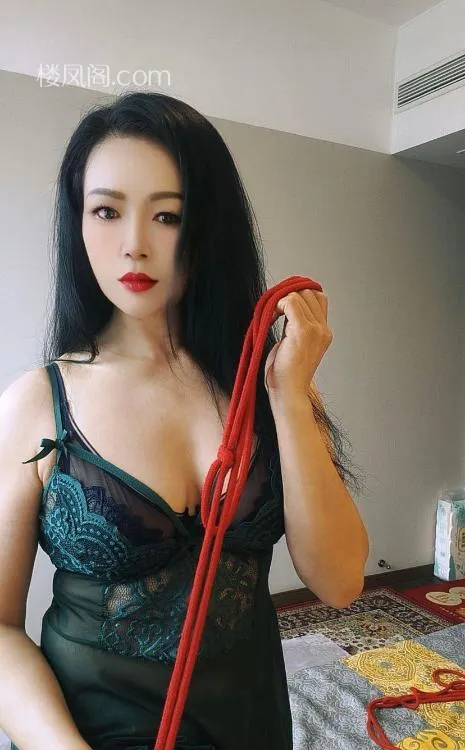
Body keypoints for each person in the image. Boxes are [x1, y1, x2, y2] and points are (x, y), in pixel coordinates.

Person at [0, 91, 366, 750]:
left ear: (207, 227)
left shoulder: (269, 381)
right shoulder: (36, 403)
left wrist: (287, 395)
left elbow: (339, 583)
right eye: (107, 211)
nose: (134, 245)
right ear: (77, 222)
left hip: (252, 729)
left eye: (167, 215)